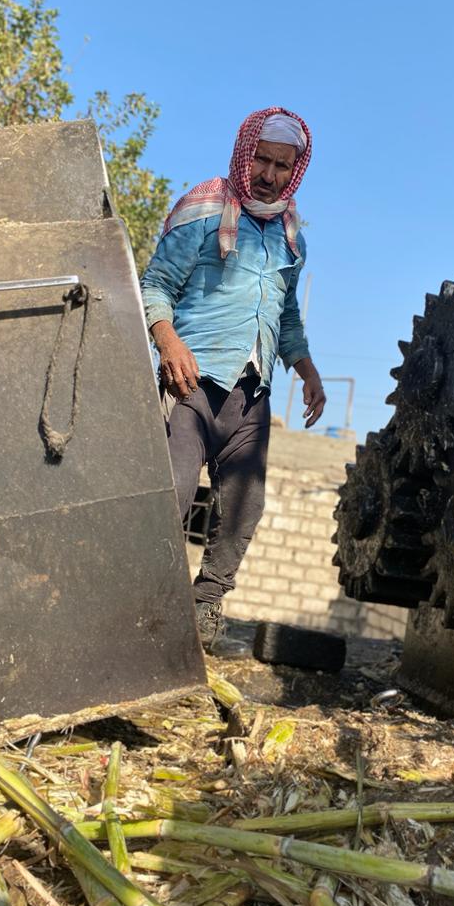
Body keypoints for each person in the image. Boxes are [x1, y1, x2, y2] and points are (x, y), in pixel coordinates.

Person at [141, 106, 325, 652]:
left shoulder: (291, 236)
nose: (269, 174)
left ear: (295, 170)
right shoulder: (205, 207)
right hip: (192, 382)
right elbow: (155, 284)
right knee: (169, 496)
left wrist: (307, 371)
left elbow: (286, 317)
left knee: (245, 505)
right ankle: (142, 606)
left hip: (251, 392)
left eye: (282, 166)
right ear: (246, 154)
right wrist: (168, 342)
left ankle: (204, 611)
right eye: (262, 160)